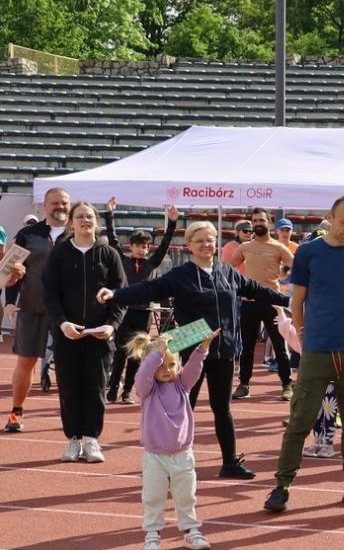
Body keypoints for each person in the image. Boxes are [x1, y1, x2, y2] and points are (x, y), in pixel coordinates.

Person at [106, 220, 287, 481]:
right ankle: (173, 464)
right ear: (189, 245)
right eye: (199, 240)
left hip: (223, 350)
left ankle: (229, 464)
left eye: (210, 239)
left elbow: (258, 290)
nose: (206, 244)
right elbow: (149, 288)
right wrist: (115, 295)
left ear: (216, 243)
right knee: (182, 406)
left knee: (222, 408)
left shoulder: (228, 272)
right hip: (190, 346)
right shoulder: (182, 274)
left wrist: (289, 300)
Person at [264, 196, 344, 513]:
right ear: (330, 217)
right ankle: (282, 487)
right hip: (316, 349)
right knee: (300, 420)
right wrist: (302, 334)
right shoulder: (308, 253)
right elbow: (296, 300)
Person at [42, 202, 126, 462]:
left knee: (96, 387)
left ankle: (91, 440)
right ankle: (73, 440)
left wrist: (111, 326)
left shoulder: (109, 254)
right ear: (71, 222)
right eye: (80, 217)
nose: (85, 221)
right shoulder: (59, 254)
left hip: (99, 336)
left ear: (96, 221)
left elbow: (120, 294)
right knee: (69, 388)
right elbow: (50, 293)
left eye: (89, 216)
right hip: (67, 334)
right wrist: (62, 323)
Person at [129, 327, 219, 550]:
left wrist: (203, 348)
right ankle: (152, 534)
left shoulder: (181, 385)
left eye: (171, 364)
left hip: (183, 454)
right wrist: (157, 353)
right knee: (153, 496)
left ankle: (190, 531)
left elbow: (194, 370)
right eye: (160, 365)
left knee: (186, 494)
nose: (167, 370)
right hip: (155, 456)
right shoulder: (146, 390)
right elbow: (142, 376)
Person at [1, 187, 72, 432]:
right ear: (44, 206)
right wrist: (10, 300)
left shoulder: (80, 233)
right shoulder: (28, 234)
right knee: (26, 361)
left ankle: (71, 415)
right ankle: (16, 412)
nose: (60, 207)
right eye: (55, 203)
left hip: (69, 311)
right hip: (33, 306)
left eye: (64, 203)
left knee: (68, 364)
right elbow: (11, 269)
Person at [103, 201, 179, 404]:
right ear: (132, 246)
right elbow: (112, 240)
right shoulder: (122, 260)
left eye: (145, 246)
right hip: (123, 312)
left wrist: (172, 223)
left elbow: (164, 246)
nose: (142, 249)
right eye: (138, 246)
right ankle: (111, 389)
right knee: (120, 352)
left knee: (137, 354)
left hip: (144, 313)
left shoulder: (152, 263)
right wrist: (109, 215)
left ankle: (127, 391)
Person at [231, 207, 297, 400]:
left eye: (261, 220)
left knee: (279, 345)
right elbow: (228, 269)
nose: (258, 224)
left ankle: (286, 384)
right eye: (255, 221)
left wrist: (285, 279)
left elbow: (298, 267)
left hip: (272, 303)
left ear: (269, 223)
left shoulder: (278, 247)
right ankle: (243, 384)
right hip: (249, 303)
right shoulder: (245, 247)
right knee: (247, 347)